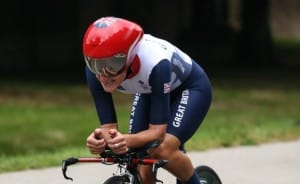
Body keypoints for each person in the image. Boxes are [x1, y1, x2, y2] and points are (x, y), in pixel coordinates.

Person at [83, 16, 212, 184]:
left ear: (130, 57)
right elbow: (109, 128)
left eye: (113, 64)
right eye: (95, 64)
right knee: (136, 158)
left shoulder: (156, 63)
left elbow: (157, 134)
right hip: (150, 90)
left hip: (190, 88)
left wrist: (125, 140)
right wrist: (101, 140)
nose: (103, 75)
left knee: (162, 149)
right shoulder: (95, 73)